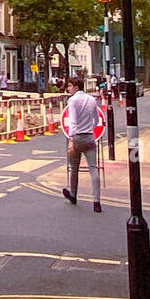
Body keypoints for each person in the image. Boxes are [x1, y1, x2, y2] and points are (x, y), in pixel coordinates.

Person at [62, 75, 102, 212]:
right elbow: (96, 120)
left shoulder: (72, 101)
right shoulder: (92, 100)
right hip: (89, 137)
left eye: (69, 86)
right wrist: (89, 127)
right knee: (93, 168)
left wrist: (71, 140)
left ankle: (73, 195)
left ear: (76, 87)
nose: (68, 89)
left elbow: (72, 121)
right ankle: (96, 202)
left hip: (77, 137)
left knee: (74, 168)